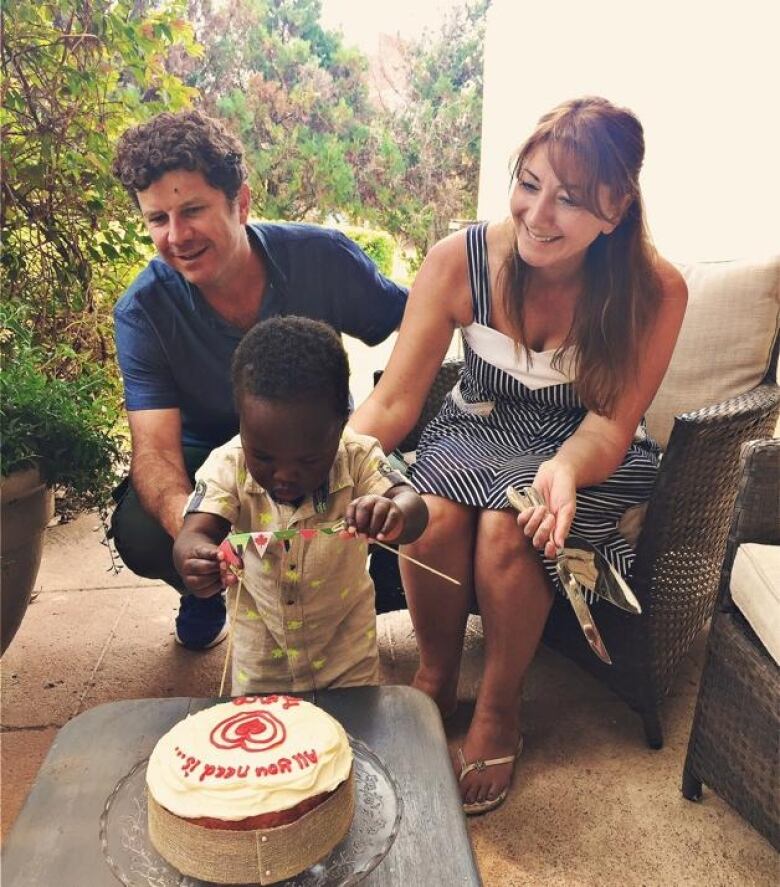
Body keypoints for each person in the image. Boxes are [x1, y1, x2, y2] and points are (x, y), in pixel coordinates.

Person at [350, 96, 687, 814]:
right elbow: (396, 401)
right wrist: (336, 460)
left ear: (616, 207)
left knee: (509, 530)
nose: (539, 213)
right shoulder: (458, 260)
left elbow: (610, 424)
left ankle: (500, 707)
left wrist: (562, 469)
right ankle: (436, 677)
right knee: (431, 514)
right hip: (478, 424)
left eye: (569, 198)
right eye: (529, 183)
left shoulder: (655, 291)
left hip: (584, 446)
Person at [109, 110, 407, 650]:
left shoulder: (323, 257)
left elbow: (419, 324)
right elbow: (152, 450)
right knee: (141, 530)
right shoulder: (142, 311)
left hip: (319, 449)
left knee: (406, 511)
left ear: (241, 203)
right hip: (210, 458)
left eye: (192, 209)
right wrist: (198, 535)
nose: (176, 237)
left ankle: (338, 593)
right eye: (157, 219)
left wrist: (383, 418)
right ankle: (206, 590)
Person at [172, 316, 428, 693]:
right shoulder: (230, 464)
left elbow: (414, 508)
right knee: (263, 744)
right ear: (241, 423)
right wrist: (195, 559)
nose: (285, 475)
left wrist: (394, 511)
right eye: (264, 457)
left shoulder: (357, 456)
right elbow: (193, 534)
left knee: (350, 741)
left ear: (341, 423)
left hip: (347, 654)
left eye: (308, 460)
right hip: (262, 658)